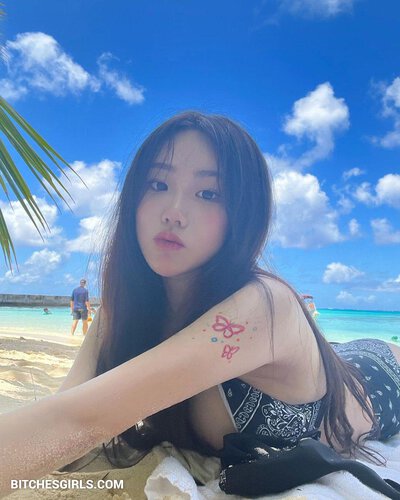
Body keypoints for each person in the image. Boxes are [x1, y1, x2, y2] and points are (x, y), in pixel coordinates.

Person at [0, 111, 399, 494]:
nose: (174, 213)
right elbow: (67, 416)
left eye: (208, 194)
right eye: (158, 184)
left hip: (380, 373)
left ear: (244, 214)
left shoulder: (262, 306)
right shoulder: (126, 307)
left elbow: (78, 422)